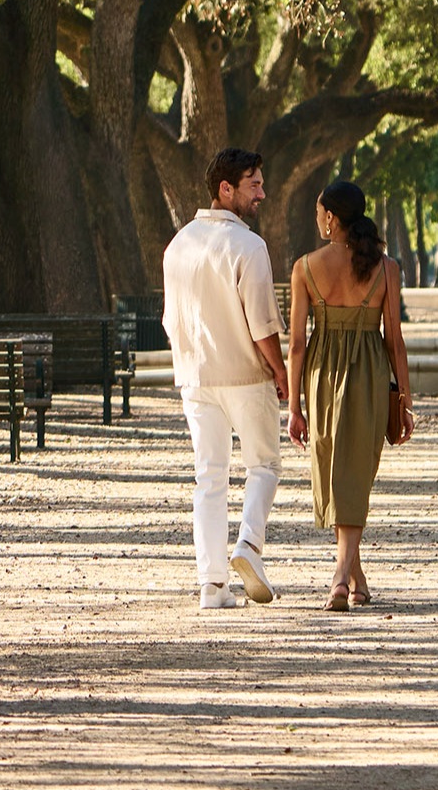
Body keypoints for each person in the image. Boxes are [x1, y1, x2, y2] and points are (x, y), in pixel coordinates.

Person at [163, 147, 287, 605]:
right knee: (265, 465)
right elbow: (263, 324)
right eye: (254, 184)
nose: (263, 193)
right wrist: (281, 371)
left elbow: (169, 319)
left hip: (195, 377)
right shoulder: (249, 246)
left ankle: (212, 583)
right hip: (245, 374)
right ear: (226, 189)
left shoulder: (178, 245)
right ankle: (249, 546)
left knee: (209, 477)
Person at [287, 177, 414, 609]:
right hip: (370, 375)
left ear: (331, 218)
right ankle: (352, 577)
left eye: (320, 212)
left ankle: (340, 575)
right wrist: (405, 400)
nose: (317, 219)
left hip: (321, 374)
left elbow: (297, 344)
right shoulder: (387, 268)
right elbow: (394, 339)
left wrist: (293, 407)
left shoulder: (305, 267)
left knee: (334, 469)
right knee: (354, 472)